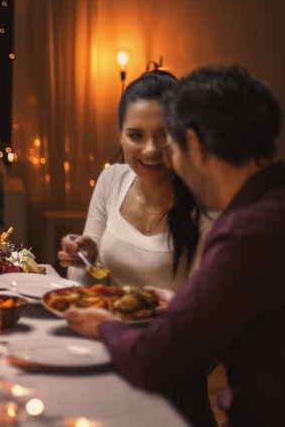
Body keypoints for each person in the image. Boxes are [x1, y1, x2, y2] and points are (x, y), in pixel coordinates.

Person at [66, 65, 284, 427]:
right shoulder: (269, 207)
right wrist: (180, 304)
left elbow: (158, 360)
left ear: (192, 143)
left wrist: (105, 327)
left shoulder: (246, 233)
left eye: (172, 141)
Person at [58, 70, 213, 292]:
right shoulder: (111, 179)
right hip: (103, 314)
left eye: (164, 134)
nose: (150, 149)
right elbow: (82, 286)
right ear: (120, 135)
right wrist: (87, 259)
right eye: (136, 136)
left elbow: (202, 302)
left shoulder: (207, 205)